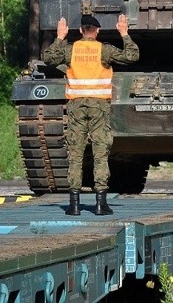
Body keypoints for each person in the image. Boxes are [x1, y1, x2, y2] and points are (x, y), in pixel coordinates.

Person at [42, 14, 139, 215]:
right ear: (97, 31)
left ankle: (74, 205)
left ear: (79, 31)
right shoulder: (104, 50)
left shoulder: (71, 49)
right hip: (99, 107)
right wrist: (124, 34)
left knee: (76, 154)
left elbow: (49, 58)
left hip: (76, 106)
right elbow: (132, 56)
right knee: (100, 153)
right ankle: (100, 203)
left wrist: (60, 37)